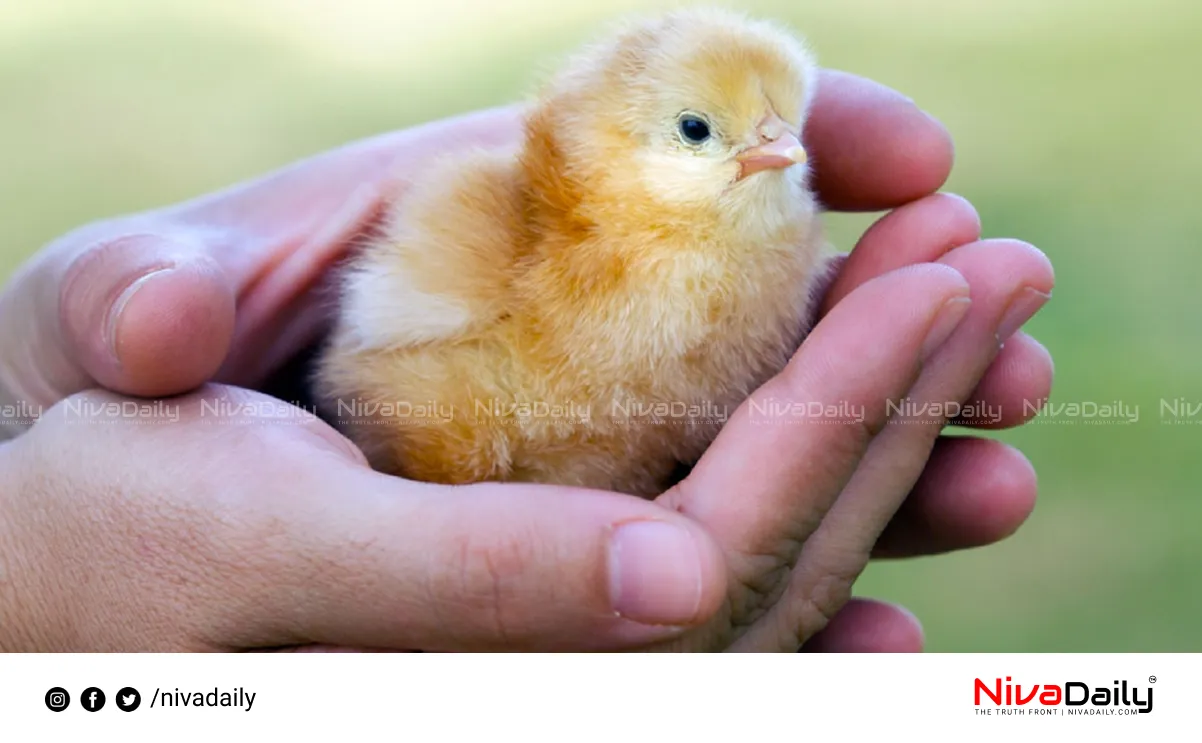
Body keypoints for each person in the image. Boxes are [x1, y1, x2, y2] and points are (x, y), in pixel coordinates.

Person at [0, 70, 1053, 652]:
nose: (776, 145)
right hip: (445, 434)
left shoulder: (769, 239)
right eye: (703, 129)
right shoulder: (507, 221)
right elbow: (396, 348)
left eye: (783, 118)